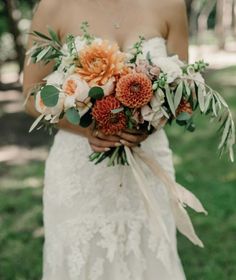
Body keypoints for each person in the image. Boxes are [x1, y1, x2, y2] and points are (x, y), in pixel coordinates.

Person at [23, 0, 189, 279]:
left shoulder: (170, 4)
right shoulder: (54, 6)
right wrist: (87, 129)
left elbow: (184, 90)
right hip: (79, 170)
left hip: (148, 164)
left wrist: (148, 124)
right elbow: (30, 95)